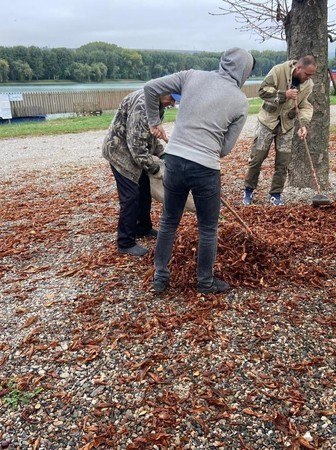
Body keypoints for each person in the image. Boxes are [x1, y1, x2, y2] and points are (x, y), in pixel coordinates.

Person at [143, 47, 255, 294]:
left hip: (174, 160)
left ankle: (160, 278)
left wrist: (154, 122)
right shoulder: (240, 101)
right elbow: (224, 149)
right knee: (207, 228)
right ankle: (205, 282)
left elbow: (151, 87)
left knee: (169, 221)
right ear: (245, 71)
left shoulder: (191, 76)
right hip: (205, 167)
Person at [102, 89, 180, 257]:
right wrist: (157, 168)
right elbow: (137, 148)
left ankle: (142, 228)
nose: (173, 103)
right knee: (130, 197)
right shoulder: (142, 106)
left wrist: (162, 154)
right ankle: (125, 242)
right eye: (172, 98)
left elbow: (151, 136)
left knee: (144, 190)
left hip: (134, 152)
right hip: (120, 152)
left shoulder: (157, 103)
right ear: (163, 90)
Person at [243, 55, 317, 206]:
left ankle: (275, 194)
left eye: (311, 75)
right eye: (307, 74)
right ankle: (248, 191)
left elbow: (305, 106)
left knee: (283, 162)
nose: (309, 78)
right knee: (257, 159)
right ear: (298, 68)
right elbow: (262, 91)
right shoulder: (279, 71)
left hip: (287, 125)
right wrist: (284, 94)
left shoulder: (308, 85)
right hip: (267, 122)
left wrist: (303, 124)